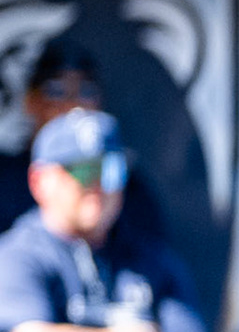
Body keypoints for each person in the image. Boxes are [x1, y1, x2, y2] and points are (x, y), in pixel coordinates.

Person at [0, 109, 218, 332]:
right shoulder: (17, 254)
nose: (98, 185)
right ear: (39, 181)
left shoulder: (149, 257)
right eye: (82, 170)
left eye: (111, 169)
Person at [0, 40, 172, 250]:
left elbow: (152, 266)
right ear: (38, 180)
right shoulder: (6, 181)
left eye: (86, 90)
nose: (73, 102)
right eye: (56, 90)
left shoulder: (128, 187)